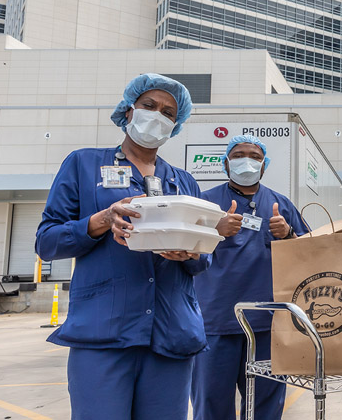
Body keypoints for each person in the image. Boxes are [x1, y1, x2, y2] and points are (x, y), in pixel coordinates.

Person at [35, 73, 234, 420]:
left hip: (171, 335)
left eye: (169, 113)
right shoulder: (84, 164)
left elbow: (203, 262)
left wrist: (191, 253)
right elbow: (47, 242)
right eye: (149, 106)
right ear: (128, 111)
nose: (158, 115)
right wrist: (100, 221)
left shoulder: (183, 182)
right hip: (104, 333)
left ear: (176, 125)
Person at [191, 135, 309, 420]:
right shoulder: (204, 204)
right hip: (215, 321)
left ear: (264, 165)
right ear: (225, 163)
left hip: (267, 323)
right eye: (239, 154)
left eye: (255, 156)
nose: (247, 161)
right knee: (211, 402)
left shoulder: (280, 205)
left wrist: (288, 235)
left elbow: (308, 255)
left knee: (266, 404)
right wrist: (215, 230)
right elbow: (184, 251)